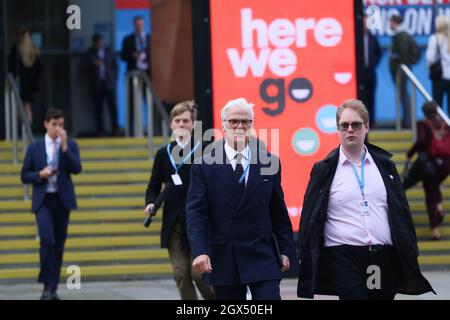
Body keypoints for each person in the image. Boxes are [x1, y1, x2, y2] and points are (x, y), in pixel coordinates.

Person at [296, 99, 434, 300]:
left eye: (356, 125)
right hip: (342, 254)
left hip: (381, 255)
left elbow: (401, 210)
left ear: (367, 127)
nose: (350, 130)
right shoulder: (324, 169)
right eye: (344, 125)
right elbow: (310, 213)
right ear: (338, 129)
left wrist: (410, 247)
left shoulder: (385, 166)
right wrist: (303, 252)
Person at [186, 98, 294, 300]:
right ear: (223, 125)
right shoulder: (203, 166)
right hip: (224, 255)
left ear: (252, 126)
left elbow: (277, 210)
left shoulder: (269, 162)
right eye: (233, 121)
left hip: (262, 254)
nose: (239, 126)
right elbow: (196, 213)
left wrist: (287, 249)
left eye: (245, 122)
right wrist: (200, 251)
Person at [144, 101, 214, 300]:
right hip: (174, 220)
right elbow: (153, 184)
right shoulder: (163, 154)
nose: (182, 125)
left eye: (186, 121)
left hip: (200, 220)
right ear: (171, 124)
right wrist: (150, 202)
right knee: (181, 273)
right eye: (177, 121)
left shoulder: (205, 150)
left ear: (193, 124)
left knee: (199, 273)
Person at [21, 108, 82, 300]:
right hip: (43, 200)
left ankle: (51, 289)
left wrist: (64, 148)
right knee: (47, 240)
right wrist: (40, 175)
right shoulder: (35, 147)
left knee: (59, 245)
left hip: (62, 200)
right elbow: (24, 175)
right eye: (54, 124)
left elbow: (77, 168)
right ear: (46, 124)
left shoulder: (70, 144)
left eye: (61, 125)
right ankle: (47, 283)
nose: (58, 129)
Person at [405, 101, 450, 240]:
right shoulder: (444, 124)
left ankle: (435, 231)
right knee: (435, 187)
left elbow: (421, 141)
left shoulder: (424, 125)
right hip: (446, 165)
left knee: (430, 196)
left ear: (424, 112)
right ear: (436, 110)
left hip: (430, 166)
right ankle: (440, 209)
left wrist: (409, 154)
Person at [120, 15, 151, 135]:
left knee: (149, 102)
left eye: (141, 25)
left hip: (147, 75)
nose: (139, 27)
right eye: (137, 25)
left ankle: (151, 128)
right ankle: (131, 130)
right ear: (134, 25)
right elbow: (123, 56)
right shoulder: (128, 39)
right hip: (132, 75)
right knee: (131, 103)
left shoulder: (149, 38)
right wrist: (132, 55)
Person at [86, 33, 119, 137]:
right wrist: (93, 64)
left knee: (112, 107)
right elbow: (84, 68)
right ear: (94, 43)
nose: (99, 45)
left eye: (100, 42)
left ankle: (115, 129)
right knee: (98, 108)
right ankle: (100, 131)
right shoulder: (89, 53)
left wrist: (114, 80)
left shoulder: (109, 51)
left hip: (109, 83)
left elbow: (115, 66)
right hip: (97, 84)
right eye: (97, 43)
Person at [389, 14, 419, 129]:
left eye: (391, 22)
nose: (389, 25)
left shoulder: (402, 36)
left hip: (401, 72)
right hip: (400, 71)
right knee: (402, 95)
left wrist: (403, 68)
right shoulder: (399, 35)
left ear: (395, 22)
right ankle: (406, 119)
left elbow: (403, 55)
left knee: (404, 95)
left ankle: (407, 120)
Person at [8, 27, 42, 124]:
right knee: (26, 105)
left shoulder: (17, 49)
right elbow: (39, 67)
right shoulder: (33, 49)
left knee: (19, 104)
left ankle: (23, 126)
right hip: (30, 83)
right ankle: (27, 125)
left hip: (21, 82)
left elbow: (11, 66)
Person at [426, 16, 450, 116]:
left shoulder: (434, 38)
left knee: (437, 106)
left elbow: (430, 58)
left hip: (439, 76)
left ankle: (439, 129)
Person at [362, 13, 382, 127]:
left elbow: (379, 53)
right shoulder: (356, 37)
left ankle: (372, 120)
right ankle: (361, 121)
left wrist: (373, 64)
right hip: (360, 73)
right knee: (361, 98)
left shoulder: (372, 38)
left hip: (371, 73)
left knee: (371, 97)